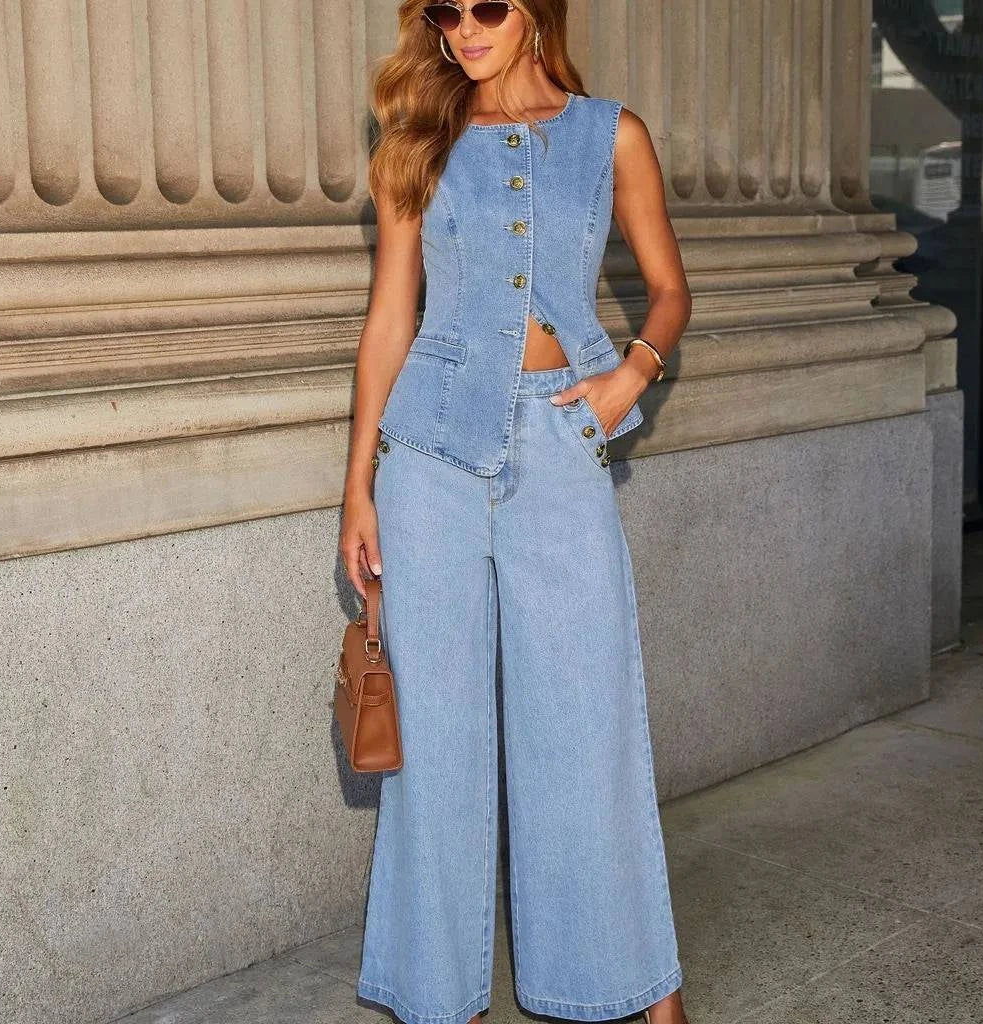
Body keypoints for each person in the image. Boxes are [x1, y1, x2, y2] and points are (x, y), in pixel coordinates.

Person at [339, 3, 692, 1023]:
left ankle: (643, 993)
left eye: (486, 6)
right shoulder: (417, 137)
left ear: (534, 10)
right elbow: (390, 317)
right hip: (428, 459)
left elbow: (669, 290)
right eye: (445, 12)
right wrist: (358, 483)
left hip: (560, 439)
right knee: (435, 745)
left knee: (587, 722)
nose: (464, 28)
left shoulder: (611, 135)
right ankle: (438, 999)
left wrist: (632, 374)